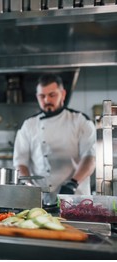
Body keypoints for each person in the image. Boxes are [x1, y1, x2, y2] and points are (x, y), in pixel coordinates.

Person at [13, 74, 96, 206]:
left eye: (52, 95)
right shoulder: (29, 125)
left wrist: (72, 183)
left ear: (62, 94)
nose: (46, 100)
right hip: (39, 200)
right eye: (42, 96)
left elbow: (90, 158)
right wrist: (28, 185)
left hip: (76, 199)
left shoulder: (80, 120)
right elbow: (20, 162)